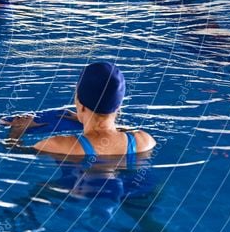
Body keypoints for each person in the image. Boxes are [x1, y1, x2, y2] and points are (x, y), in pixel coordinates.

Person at [9, 61, 156, 159]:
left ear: (80, 103)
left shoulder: (57, 145)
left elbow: (14, 152)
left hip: (74, 195)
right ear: (119, 105)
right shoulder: (144, 141)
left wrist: (16, 131)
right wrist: (85, 120)